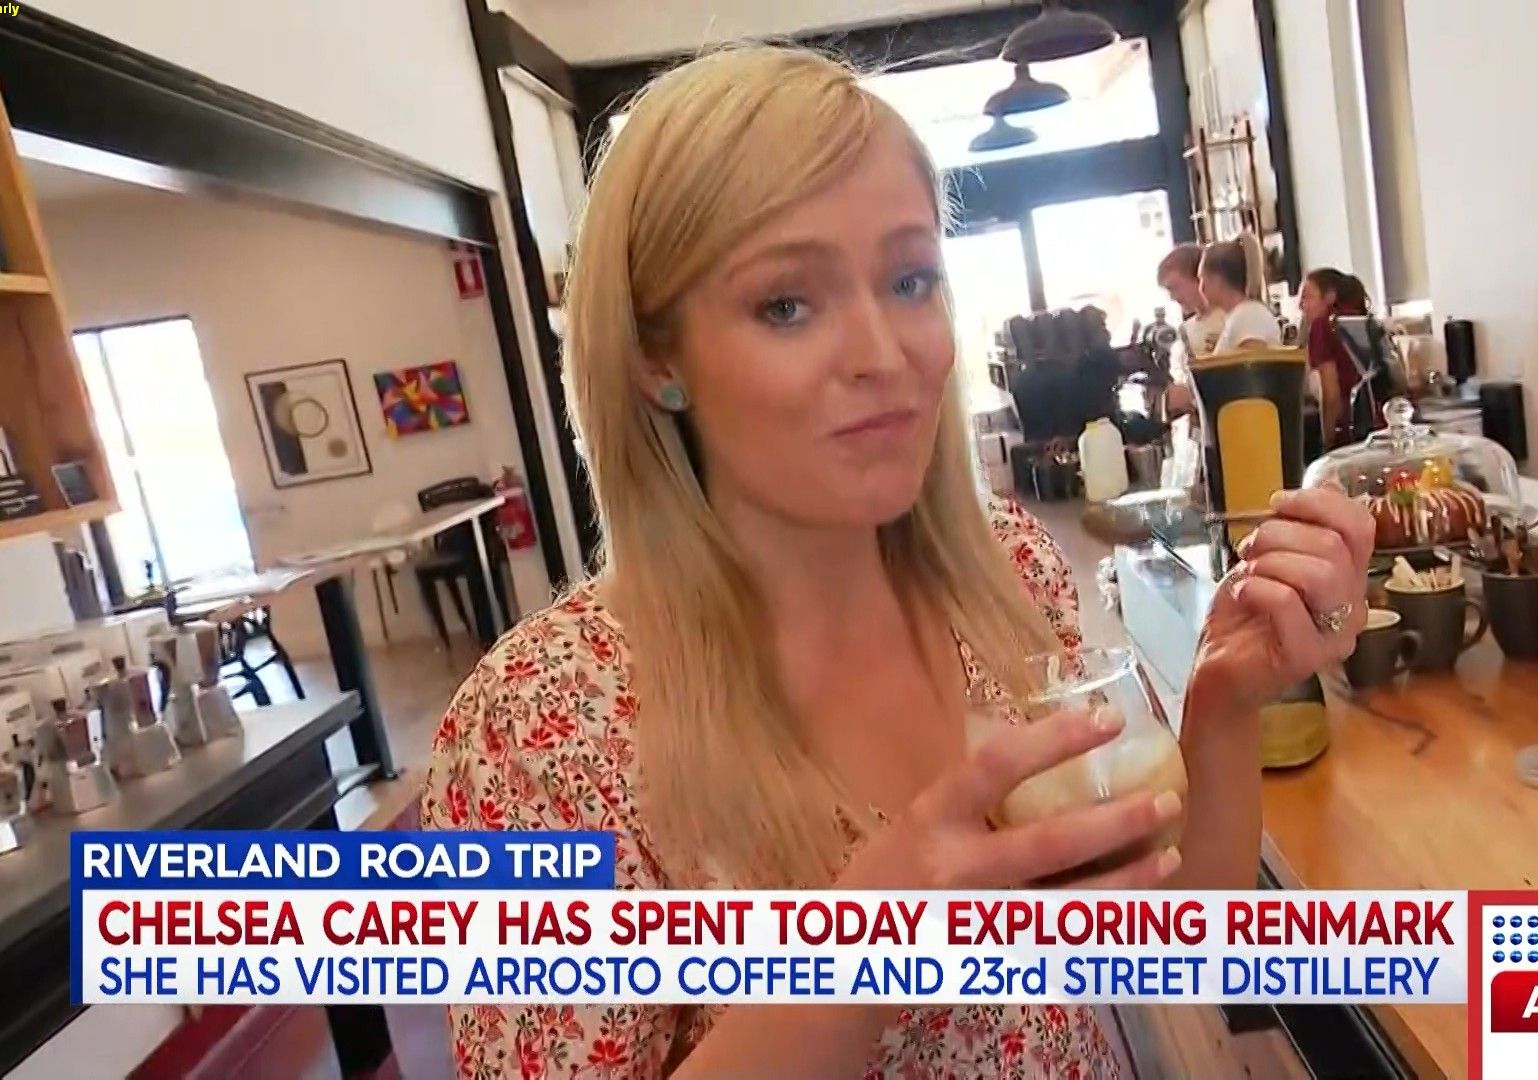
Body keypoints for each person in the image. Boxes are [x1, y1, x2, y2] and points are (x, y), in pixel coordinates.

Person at [421, 45, 1372, 1079]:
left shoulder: (1004, 578)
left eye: (911, 280)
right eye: (787, 305)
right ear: (657, 359)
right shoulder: (538, 728)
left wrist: (1224, 704)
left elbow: (1161, 946)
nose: (886, 355)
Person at [1298, 267, 1376, 448]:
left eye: (1307, 297)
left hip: (1351, 430)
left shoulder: (1322, 326)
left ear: (1330, 296)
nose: (1301, 305)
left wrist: (1327, 442)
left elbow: (1331, 394)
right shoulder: (1366, 321)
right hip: (1379, 423)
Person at [1200, 233, 1283, 353]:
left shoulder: (1249, 316)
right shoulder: (1241, 315)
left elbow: (1253, 362)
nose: (1201, 288)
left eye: (1202, 279)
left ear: (1217, 281)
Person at [1156, 242, 1223, 359]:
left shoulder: (1233, 317)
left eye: (1175, 288)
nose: (1173, 297)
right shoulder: (1186, 330)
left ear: (1200, 279)